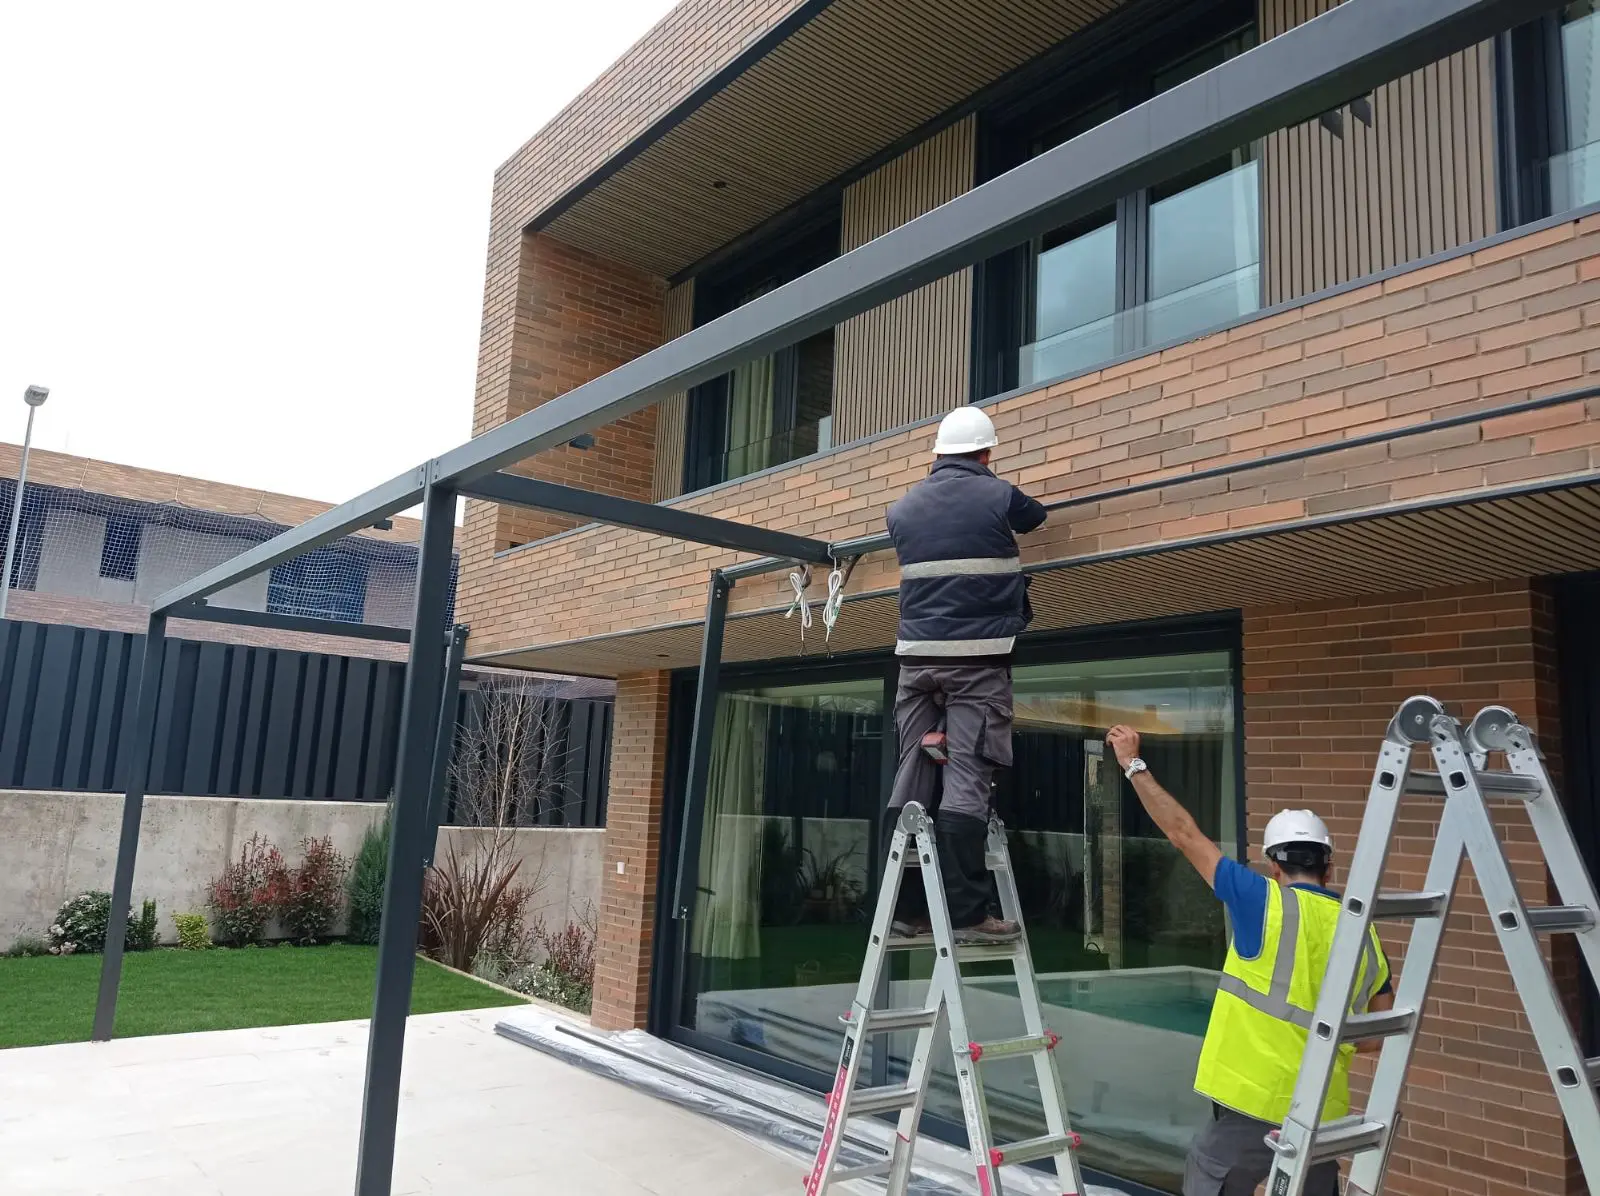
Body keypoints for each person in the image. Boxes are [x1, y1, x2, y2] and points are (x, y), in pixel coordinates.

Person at [1103, 724, 1394, 1196]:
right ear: (1329, 865)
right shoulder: (1366, 932)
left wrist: (1132, 764)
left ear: (1274, 865)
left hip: (1252, 1105)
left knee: (1210, 1175)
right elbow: (1375, 1038)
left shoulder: (1262, 900)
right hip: (1322, 1112)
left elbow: (1183, 834)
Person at [882, 406, 1047, 945]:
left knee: (913, 771)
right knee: (967, 779)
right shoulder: (997, 494)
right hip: (977, 661)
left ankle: (905, 910)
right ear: (986, 452)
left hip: (915, 660)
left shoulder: (900, 509)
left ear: (936, 455)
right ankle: (968, 913)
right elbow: (1034, 517)